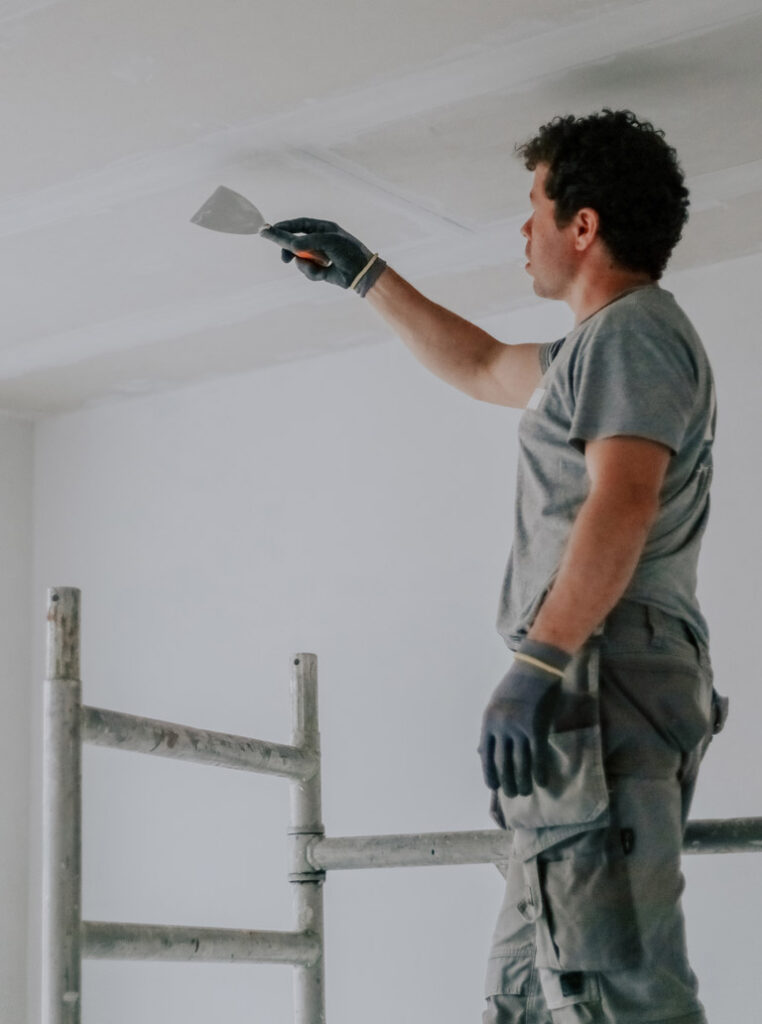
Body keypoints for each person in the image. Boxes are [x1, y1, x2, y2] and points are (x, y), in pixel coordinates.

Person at [261, 109, 727, 1024]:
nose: (524, 231)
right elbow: (478, 364)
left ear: (581, 225)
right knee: (526, 994)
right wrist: (367, 276)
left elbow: (621, 502)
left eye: (534, 207)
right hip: (584, 683)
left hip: (600, 678)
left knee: (614, 989)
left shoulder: (633, 336)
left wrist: (541, 660)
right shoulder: (594, 353)